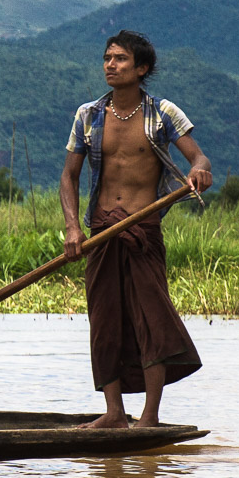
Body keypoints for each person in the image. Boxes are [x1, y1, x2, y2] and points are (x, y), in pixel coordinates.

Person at [59, 30, 212, 428]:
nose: (111, 65)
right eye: (108, 57)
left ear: (141, 68)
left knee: (151, 319)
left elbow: (198, 158)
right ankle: (113, 413)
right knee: (104, 319)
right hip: (102, 231)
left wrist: (199, 173)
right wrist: (74, 230)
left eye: (121, 59)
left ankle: (148, 417)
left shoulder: (163, 113)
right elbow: (69, 178)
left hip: (143, 231)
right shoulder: (88, 115)